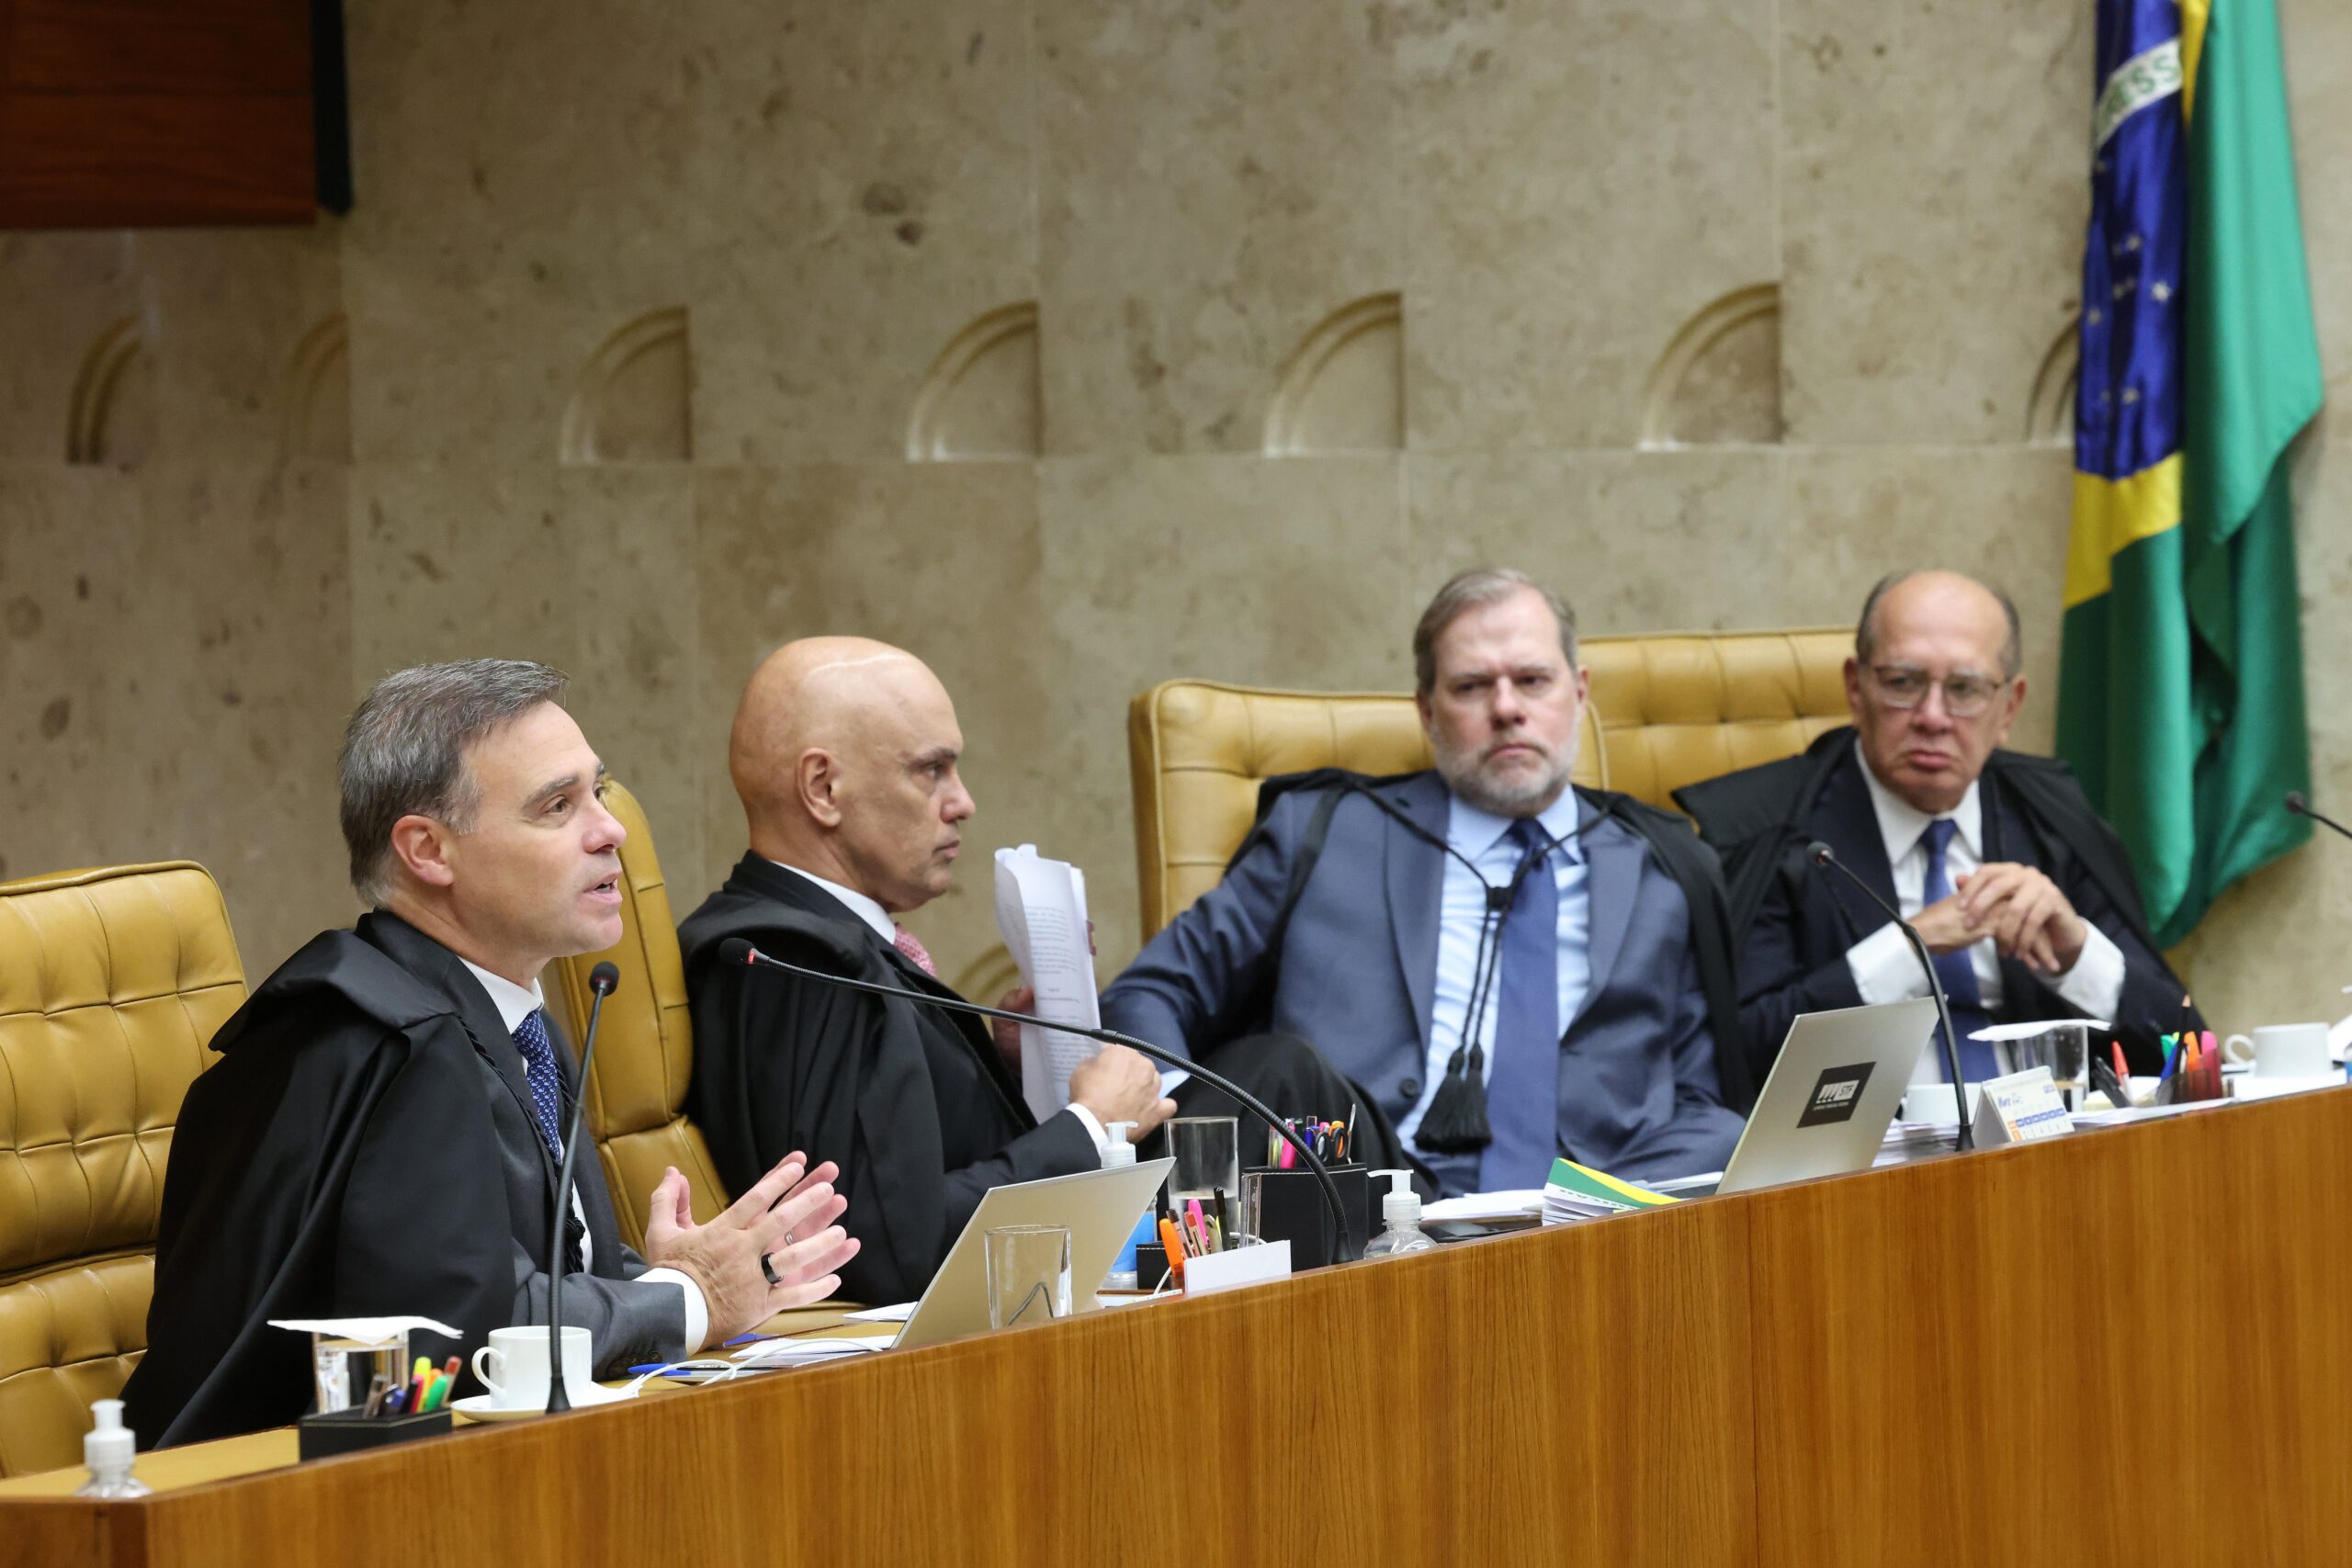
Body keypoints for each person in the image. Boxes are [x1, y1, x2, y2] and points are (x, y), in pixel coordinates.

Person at [122, 660, 857, 1448]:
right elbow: (465, 1339)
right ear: (428, 850)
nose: (610, 830)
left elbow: (527, 1266)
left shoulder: (503, 1012)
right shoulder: (391, 1040)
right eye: (557, 806)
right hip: (252, 1491)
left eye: (599, 791)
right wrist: (690, 1296)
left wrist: (654, 1275)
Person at [1101, 568, 1752, 1198]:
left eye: (1532, 680)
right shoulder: (1325, 830)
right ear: (1427, 710)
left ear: (1579, 693)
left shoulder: (1662, 866)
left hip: (1594, 1202)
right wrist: (1187, 1130)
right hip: (1367, 1189)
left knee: (1729, 1137)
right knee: (1280, 1070)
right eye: (1471, 686)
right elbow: (1153, 990)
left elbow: (1699, 1094)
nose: (1507, 709)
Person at [681, 638, 1179, 1306]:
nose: (962, 802)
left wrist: (1011, 1067)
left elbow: (903, 1148)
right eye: (932, 770)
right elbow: (886, 1246)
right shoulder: (795, 958)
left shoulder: (825, 938)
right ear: (824, 788)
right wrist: (1091, 1127)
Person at [1676, 570, 2200, 1083]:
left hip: (2042, 1134)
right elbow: (1733, 1057)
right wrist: (1910, 951)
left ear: (2009, 707)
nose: (1932, 717)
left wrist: (2077, 956)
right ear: (1856, 688)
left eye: (1964, 689)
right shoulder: (1765, 829)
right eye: (1902, 683)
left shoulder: (2049, 817)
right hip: (1866, 1139)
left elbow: (2188, 1052)